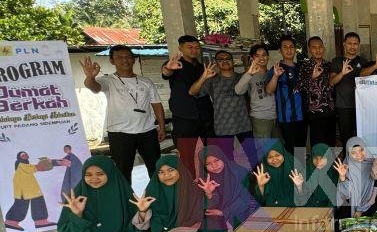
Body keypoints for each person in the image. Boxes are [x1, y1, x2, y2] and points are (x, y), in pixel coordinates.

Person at [81, 46, 165, 181]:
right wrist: (90, 77)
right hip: (120, 133)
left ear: (133, 60)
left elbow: (156, 105)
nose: (124, 60)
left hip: (147, 131)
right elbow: (93, 87)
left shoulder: (146, 81)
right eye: (119, 57)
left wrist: (161, 126)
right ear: (112, 61)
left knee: (156, 168)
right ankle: (125, 201)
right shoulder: (108, 81)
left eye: (128, 57)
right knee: (122, 171)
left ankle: (159, 198)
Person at [133, 155, 204, 232]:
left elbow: (198, 216)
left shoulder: (191, 188)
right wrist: (142, 211)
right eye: (161, 172)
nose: (167, 175)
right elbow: (146, 225)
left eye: (171, 170)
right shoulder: (152, 190)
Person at [161, 35, 214, 176]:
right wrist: (168, 68)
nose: (194, 50)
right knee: (187, 155)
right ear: (180, 48)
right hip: (184, 117)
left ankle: (208, 184)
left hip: (205, 116)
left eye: (197, 47)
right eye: (189, 47)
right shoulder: (175, 64)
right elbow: (166, 73)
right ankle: (190, 186)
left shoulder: (202, 66)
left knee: (208, 153)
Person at [190, 50, 253, 164]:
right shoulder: (211, 80)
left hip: (244, 124)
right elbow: (192, 92)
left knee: (253, 157)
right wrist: (204, 77)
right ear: (216, 63)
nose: (224, 61)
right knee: (228, 159)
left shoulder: (241, 77)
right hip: (223, 126)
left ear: (232, 61)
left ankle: (259, 179)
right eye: (221, 59)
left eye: (227, 59)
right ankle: (231, 180)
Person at [197, 145, 260, 232]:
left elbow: (245, 200)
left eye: (217, 160)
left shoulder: (239, 172)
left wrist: (224, 212)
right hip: (217, 215)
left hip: (242, 211)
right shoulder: (204, 179)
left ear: (223, 158)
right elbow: (207, 208)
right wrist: (209, 194)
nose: (214, 166)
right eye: (208, 164)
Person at [266, 36, 307, 154]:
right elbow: (269, 90)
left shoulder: (300, 67)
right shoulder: (277, 68)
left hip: (302, 116)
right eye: (285, 47)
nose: (289, 50)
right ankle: (290, 172)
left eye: (291, 47)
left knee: (301, 149)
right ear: (280, 50)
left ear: (295, 49)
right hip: (286, 117)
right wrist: (275, 76)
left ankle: (299, 171)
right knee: (289, 149)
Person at [235, 43, 281, 141]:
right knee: (263, 151)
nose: (261, 58)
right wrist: (249, 73)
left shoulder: (273, 73)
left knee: (275, 150)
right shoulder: (249, 75)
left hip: (275, 117)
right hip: (259, 119)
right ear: (252, 58)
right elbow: (238, 91)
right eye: (257, 55)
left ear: (268, 57)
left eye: (264, 55)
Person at [296, 36, 336, 147]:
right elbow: (299, 87)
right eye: (314, 47)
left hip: (331, 110)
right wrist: (312, 78)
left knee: (331, 143)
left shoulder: (329, 65)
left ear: (324, 48)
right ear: (309, 50)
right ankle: (317, 165)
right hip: (315, 113)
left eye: (320, 47)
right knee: (318, 145)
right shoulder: (304, 66)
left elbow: (334, 84)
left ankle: (333, 165)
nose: (317, 50)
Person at [330, 32, 369, 144]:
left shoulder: (364, 62)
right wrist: (342, 73)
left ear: (359, 45)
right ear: (344, 44)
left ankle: (359, 160)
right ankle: (346, 161)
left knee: (360, 135)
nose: (352, 46)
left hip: (361, 106)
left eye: (355, 44)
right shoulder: (336, 61)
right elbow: (332, 82)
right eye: (350, 43)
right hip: (343, 106)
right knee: (345, 137)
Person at [5, 151, 56, 231]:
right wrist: (49, 162)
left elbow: (37, 167)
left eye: (26, 154)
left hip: (30, 187)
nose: (25, 155)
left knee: (38, 200)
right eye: (23, 155)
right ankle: (11, 221)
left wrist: (50, 162)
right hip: (23, 188)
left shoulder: (27, 165)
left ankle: (41, 221)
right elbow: (38, 167)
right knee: (21, 203)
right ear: (19, 157)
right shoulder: (21, 165)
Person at [335, 137, 377, 218]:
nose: (359, 155)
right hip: (350, 209)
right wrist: (343, 177)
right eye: (353, 153)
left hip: (368, 209)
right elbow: (347, 194)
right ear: (348, 154)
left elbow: (374, 193)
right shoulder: (345, 167)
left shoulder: (373, 164)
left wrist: (360, 210)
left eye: (361, 150)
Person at [250, 140, 300, 207]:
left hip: (294, 209)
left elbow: (304, 198)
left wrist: (299, 186)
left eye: (277, 155)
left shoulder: (295, 167)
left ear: (283, 154)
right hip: (271, 210)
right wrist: (261, 186)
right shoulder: (262, 172)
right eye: (270, 157)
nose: (274, 159)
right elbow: (261, 201)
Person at [298, 143, 338, 208]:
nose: (318, 161)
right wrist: (299, 187)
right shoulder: (304, 172)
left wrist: (327, 213)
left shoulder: (335, 173)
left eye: (322, 158)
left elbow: (335, 199)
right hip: (308, 210)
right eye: (315, 158)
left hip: (328, 211)